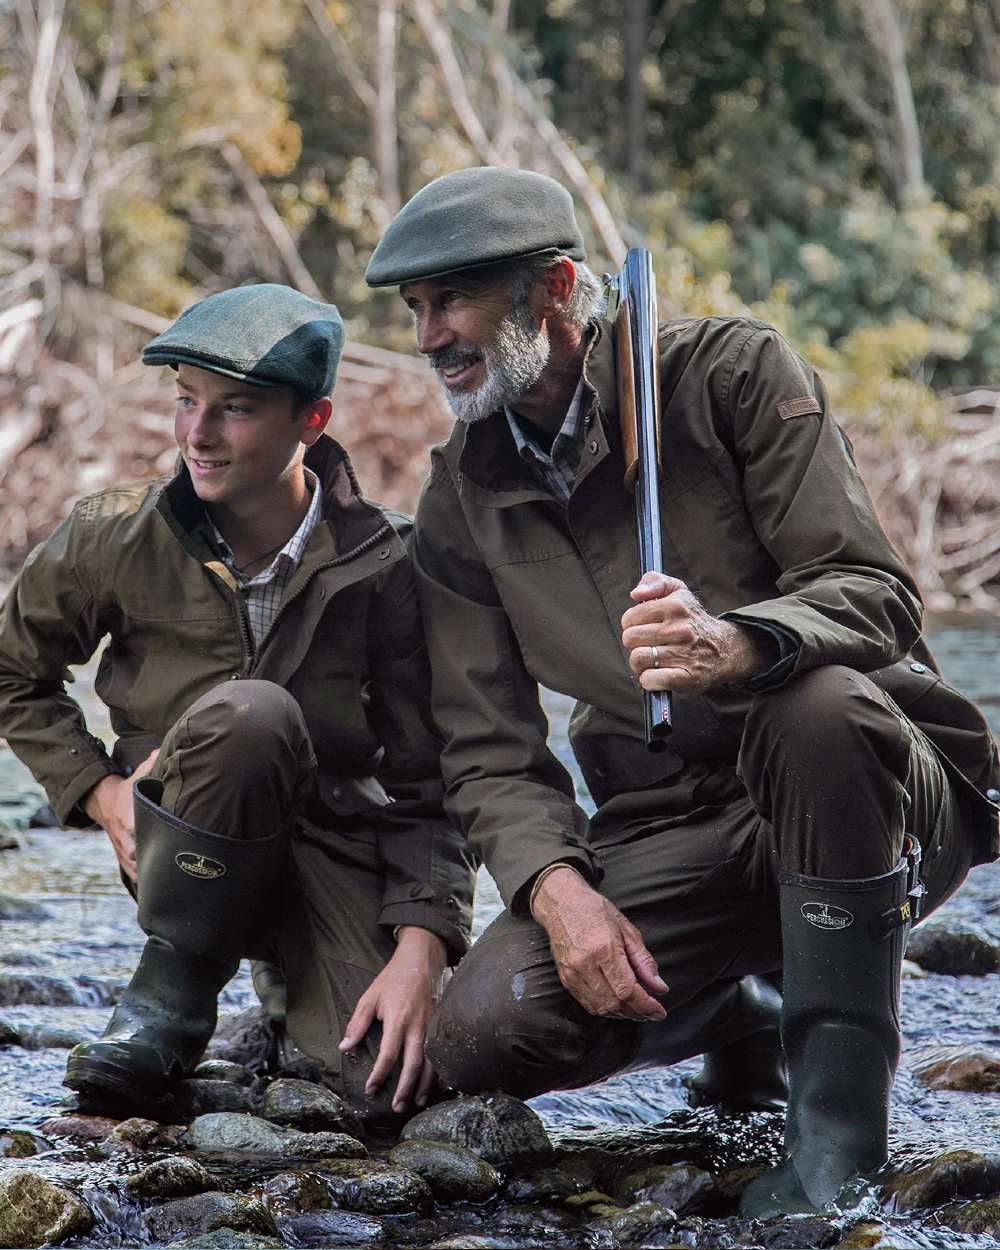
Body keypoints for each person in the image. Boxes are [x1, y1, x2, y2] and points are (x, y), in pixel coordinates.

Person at [364, 167, 1000, 1214]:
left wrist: (740, 642)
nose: (429, 335)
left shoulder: (730, 376)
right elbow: (485, 747)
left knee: (816, 706)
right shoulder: (459, 497)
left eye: (453, 299)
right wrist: (555, 893)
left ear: (557, 287)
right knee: (488, 1024)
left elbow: (875, 593)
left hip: (875, 796)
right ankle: (738, 1004)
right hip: (668, 826)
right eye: (417, 308)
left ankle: (839, 1148)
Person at [0, 283, 474, 1127]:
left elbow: (428, 775)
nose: (198, 434)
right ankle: (170, 1003)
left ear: (311, 422)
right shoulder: (113, 536)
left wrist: (423, 943)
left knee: (384, 1088)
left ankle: (281, 1000)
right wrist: (97, 791)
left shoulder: (388, 563)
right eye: (187, 402)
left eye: (236, 409)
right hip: (181, 836)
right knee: (251, 714)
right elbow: (10, 669)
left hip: (331, 842)